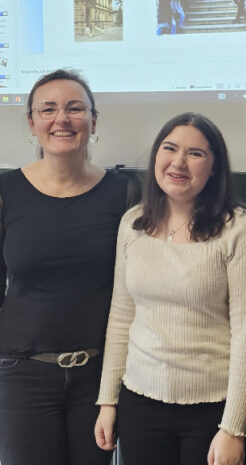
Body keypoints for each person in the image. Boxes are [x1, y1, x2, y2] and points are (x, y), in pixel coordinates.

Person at [94, 113, 246, 465]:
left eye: (196, 154)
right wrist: (108, 401)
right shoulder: (133, 224)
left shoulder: (239, 230)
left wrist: (233, 427)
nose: (178, 162)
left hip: (212, 409)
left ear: (215, 167)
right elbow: (121, 316)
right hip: (140, 401)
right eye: (169, 148)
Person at [0, 69, 135, 465]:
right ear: (31, 122)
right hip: (20, 373)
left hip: (98, 377)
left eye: (75, 108)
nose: (62, 118)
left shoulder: (123, 193)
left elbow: (133, 291)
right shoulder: (6, 192)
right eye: (48, 109)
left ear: (93, 121)